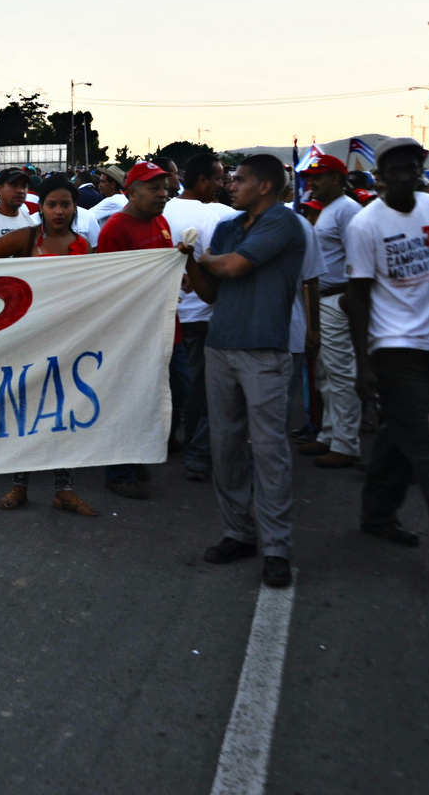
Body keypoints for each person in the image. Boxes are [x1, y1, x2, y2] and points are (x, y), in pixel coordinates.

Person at [346, 136, 429, 580]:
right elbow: (358, 298)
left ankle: (377, 513)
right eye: (395, 170)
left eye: (412, 167)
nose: (405, 175)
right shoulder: (365, 225)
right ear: (380, 177)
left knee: (395, 434)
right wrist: (364, 364)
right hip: (392, 346)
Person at [183, 154, 307, 589]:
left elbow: (234, 266)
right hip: (222, 345)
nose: (230, 185)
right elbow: (212, 292)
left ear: (266, 187)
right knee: (227, 446)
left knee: (269, 450)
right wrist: (193, 263)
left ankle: (277, 547)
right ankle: (238, 532)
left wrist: (204, 257)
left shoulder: (282, 223)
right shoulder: (229, 228)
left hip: (264, 351)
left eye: (239, 179)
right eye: (230, 179)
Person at [0, 176, 99, 515]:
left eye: (66, 204)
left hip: (69, 339)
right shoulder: (27, 237)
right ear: (40, 207)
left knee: (65, 411)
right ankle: (19, 486)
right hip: (28, 338)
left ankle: (65, 490)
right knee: (27, 413)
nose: (59, 211)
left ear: (75, 208)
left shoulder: (83, 245)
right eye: (52, 204)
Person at [94, 161, 178, 499]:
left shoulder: (161, 221)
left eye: (165, 187)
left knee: (159, 398)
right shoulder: (115, 229)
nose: (163, 194)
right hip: (133, 331)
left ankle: (137, 454)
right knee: (129, 400)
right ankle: (120, 469)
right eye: (155, 188)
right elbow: (112, 285)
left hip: (164, 326)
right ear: (131, 192)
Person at [160, 153, 240, 481]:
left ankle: (165, 438)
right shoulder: (220, 216)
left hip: (164, 312)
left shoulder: (161, 210)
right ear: (204, 180)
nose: (222, 186)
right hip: (200, 313)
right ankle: (194, 449)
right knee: (198, 388)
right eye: (219, 179)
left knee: (168, 382)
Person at [297, 152, 364, 468]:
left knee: (340, 375)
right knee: (324, 374)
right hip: (323, 299)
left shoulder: (348, 209)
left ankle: (346, 444)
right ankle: (328, 435)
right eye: (311, 177)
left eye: (319, 177)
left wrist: (347, 303)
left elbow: (358, 261)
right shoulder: (330, 209)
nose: (312, 183)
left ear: (337, 179)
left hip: (338, 299)